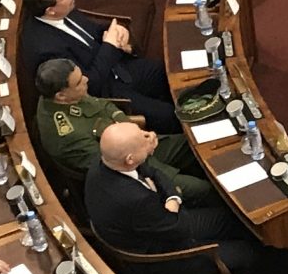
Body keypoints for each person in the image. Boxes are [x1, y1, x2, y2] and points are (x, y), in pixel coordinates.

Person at [85, 121, 277, 274]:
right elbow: (180, 227)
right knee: (249, 251)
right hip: (171, 261)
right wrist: (169, 204)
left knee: (231, 219)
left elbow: (155, 173)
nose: (150, 135)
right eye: (143, 138)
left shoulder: (103, 164)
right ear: (130, 159)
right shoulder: (136, 200)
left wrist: (172, 199)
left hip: (160, 227)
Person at [32, 61, 204, 199]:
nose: (86, 79)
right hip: (133, 170)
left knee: (197, 143)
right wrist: (140, 147)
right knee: (202, 189)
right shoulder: (68, 136)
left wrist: (134, 134)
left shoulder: (69, 95)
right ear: (61, 96)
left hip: (135, 147)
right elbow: (113, 166)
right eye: (78, 82)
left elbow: (104, 105)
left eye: (82, 75)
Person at [20, 0, 173, 128]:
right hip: (108, 92)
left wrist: (117, 31)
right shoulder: (45, 49)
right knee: (169, 115)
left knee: (171, 70)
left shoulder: (65, 9)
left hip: (119, 67)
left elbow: (94, 31)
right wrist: (110, 46)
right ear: (50, 10)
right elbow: (89, 84)